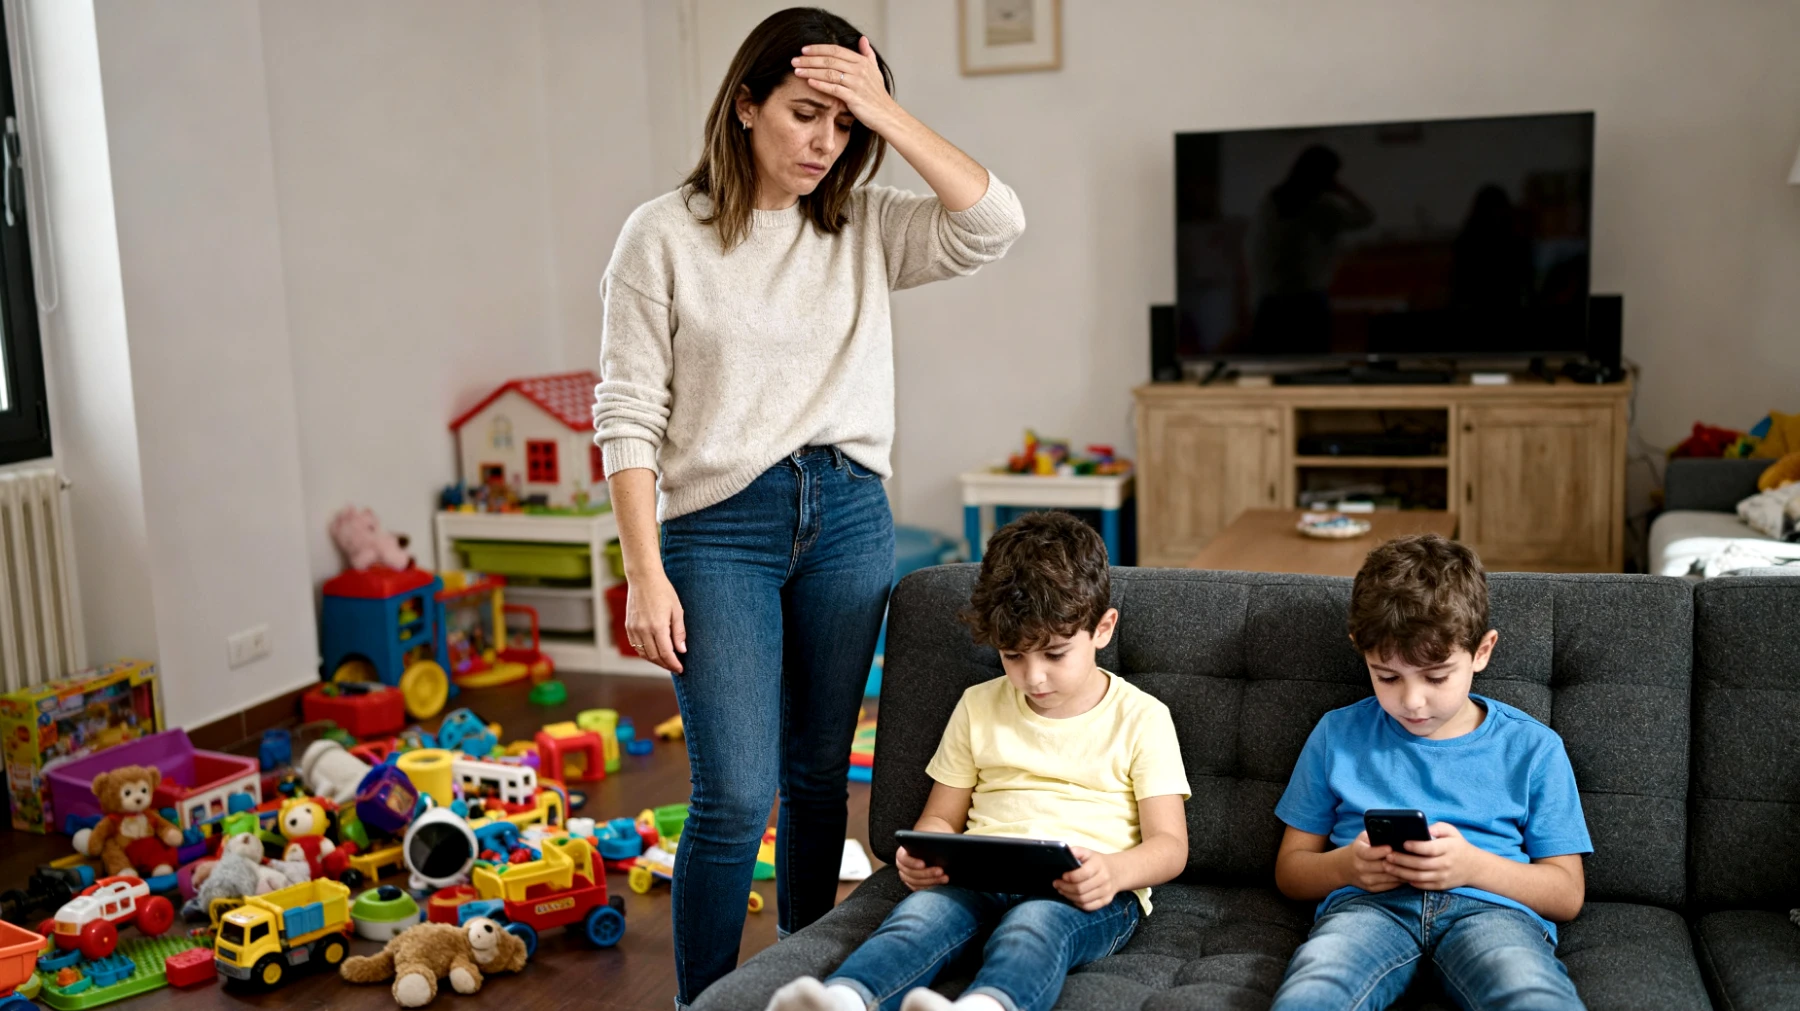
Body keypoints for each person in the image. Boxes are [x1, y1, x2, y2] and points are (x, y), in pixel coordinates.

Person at [591, 7, 1026, 1006]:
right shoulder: (662, 235)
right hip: (717, 528)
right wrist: (643, 569)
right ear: (745, 104)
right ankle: (702, 998)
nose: (826, 144)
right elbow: (627, 416)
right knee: (737, 796)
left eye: (846, 126)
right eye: (804, 115)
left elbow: (996, 221)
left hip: (848, 517)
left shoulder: (865, 226)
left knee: (823, 780)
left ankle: (801, 983)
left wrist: (888, 109)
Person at [764, 512, 1190, 1011]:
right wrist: (927, 855)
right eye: (1013, 656)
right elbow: (941, 816)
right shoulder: (977, 705)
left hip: (1090, 894)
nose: (1033, 678)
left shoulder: (1142, 717)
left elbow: (1170, 845)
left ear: (1103, 628)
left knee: (1034, 928)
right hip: (980, 878)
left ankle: (985, 1005)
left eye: (1054, 655)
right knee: (918, 918)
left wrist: (1114, 872)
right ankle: (844, 998)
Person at [1270, 534, 1591, 1010]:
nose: (1412, 701)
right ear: (1361, 650)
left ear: (1481, 652)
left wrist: (1473, 866)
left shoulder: (1533, 748)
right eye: (1388, 676)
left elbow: (1566, 893)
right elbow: (1290, 872)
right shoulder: (1337, 734)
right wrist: (1347, 866)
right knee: (1314, 992)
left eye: (1437, 677)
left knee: (1530, 995)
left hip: (1492, 912)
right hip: (1366, 907)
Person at [1247, 144, 1374, 353]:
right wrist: (1344, 192)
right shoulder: (1320, 207)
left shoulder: (1270, 201)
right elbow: (1367, 217)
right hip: (1306, 304)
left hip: (1269, 303)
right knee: (1313, 367)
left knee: (1269, 367)